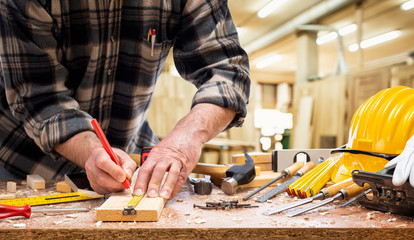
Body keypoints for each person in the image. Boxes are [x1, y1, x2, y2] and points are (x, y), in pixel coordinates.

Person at [0, 0, 250, 200]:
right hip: (27, 165)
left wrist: (187, 137)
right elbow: (39, 98)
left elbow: (227, 73)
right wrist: (91, 149)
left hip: (129, 154)